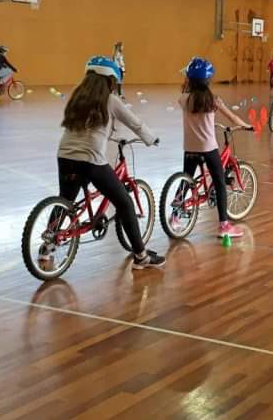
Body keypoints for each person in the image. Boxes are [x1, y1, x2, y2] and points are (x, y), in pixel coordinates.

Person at [56, 56, 164, 269]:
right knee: (124, 202)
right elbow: (135, 123)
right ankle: (141, 256)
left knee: (65, 201)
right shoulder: (111, 100)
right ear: (110, 80)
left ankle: (48, 246)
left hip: (65, 156)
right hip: (91, 159)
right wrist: (151, 139)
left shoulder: (76, 96)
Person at [178, 58, 252, 240]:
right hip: (208, 148)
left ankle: (175, 214)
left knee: (186, 180)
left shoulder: (183, 99)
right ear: (208, 80)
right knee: (219, 183)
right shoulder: (213, 100)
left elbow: (185, 90)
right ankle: (224, 225)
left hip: (189, 148)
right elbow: (233, 117)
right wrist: (247, 126)